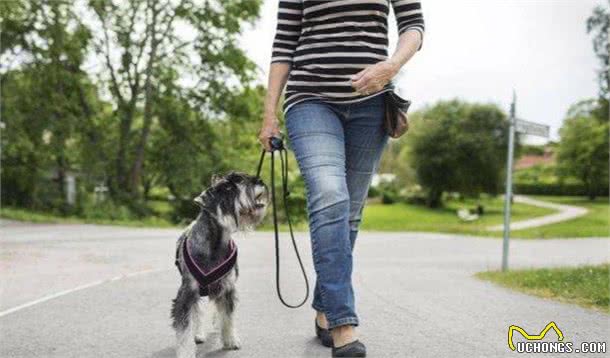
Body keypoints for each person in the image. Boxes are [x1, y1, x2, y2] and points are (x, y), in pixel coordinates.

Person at [259, 1, 424, 356]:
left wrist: (391, 65)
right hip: (310, 100)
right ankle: (343, 324)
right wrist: (269, 113)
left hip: (372, 102)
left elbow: (414, 26)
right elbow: (284, 43)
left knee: (348, 213)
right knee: (331, 196)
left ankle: (325, 309)